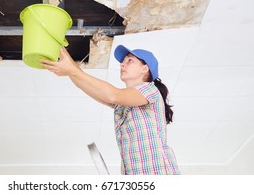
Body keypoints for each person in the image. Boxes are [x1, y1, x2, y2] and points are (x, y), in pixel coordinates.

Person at [40, 45, 180, 175]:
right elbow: (83, 84)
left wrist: (72, 70)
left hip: (159, 171)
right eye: (123, 61)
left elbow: (113, 95)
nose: (122, 64)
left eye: (130, 60)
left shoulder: (150, 89)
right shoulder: (123, 103)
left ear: (145, 68)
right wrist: (63, 52)